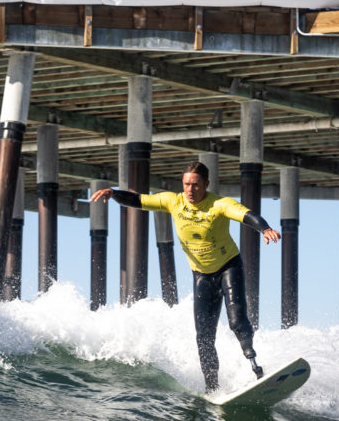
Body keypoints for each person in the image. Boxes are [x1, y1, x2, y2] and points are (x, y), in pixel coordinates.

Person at [91, 161, 280, 392]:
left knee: (237, 322)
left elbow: (245, 214)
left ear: (206, 184)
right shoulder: (173, 202)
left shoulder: (219, 204)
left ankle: (255, 366)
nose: (190, 190)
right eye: (186, 185)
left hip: (229, 268)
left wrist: (265, 228)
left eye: (196, 185)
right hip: (201, 275)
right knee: (203, 338)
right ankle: (213, 389)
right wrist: (113, 194)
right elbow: (139, 200)